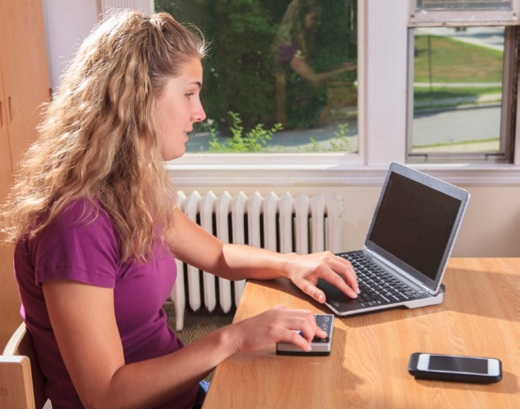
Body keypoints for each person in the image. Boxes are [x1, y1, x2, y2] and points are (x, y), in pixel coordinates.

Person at [0, 10, 359, 409]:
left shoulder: (128, 189)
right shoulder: (76, 222)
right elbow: (105, 396)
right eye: (189, 93)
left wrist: (292, 263)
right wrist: (232, 337)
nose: (200, 112)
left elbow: (219, 254)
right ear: (135, 98)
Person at [273, 0, 356, 128]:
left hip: (307, 105)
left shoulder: (300, 44)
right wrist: (343, 71)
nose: (319, 22)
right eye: (314, 18)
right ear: (300, 19)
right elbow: (313, 78)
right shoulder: (288, 47)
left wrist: (339, 68)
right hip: (294, 111)